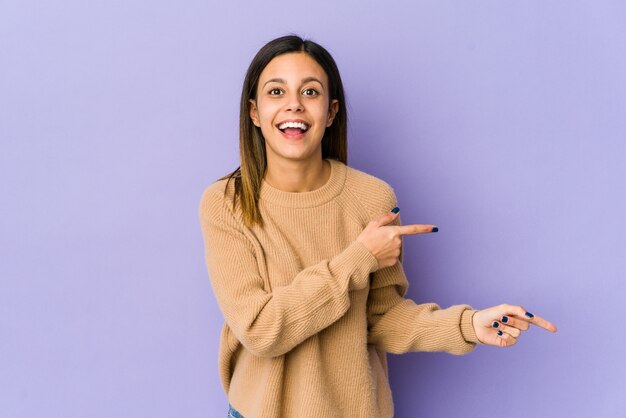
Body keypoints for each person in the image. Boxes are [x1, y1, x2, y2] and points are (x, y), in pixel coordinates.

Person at [198, 35, 557, 418]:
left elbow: (381, 320)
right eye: (276, 91)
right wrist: (359, 257)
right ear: (254, 111)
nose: (294, 105)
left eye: (310, 91)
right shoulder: (227, 203)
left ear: (331, 111)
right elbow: (260, 330)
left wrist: (468, 325)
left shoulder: (372, 199)